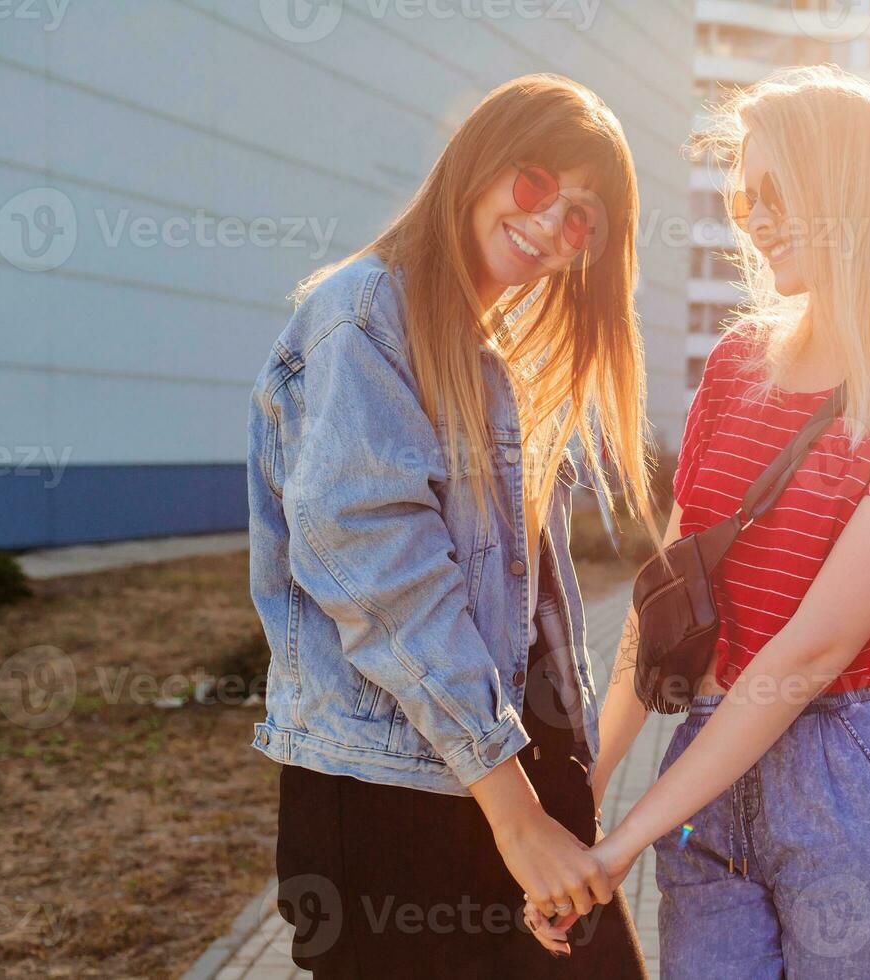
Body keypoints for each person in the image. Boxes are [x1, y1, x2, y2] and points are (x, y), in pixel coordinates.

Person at [529, 66, 870, 978]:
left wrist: (621, 842)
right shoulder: (736, 362)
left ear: (851, 190)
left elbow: (809, 654)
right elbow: (661, 608)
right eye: (745, 195)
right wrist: (578, 813)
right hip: (705, 769)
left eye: (777, 191)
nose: (752, 216)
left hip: (851, 774)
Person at [246, 74, 656, 978]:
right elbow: (389, 583)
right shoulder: (362, 320)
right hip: (398, 809)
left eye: (583, 216)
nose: (554, 225)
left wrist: (558, 794)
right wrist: (518, 819)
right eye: (538, 183)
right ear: (477, 163)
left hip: (502, 788)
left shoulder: (481, 354)